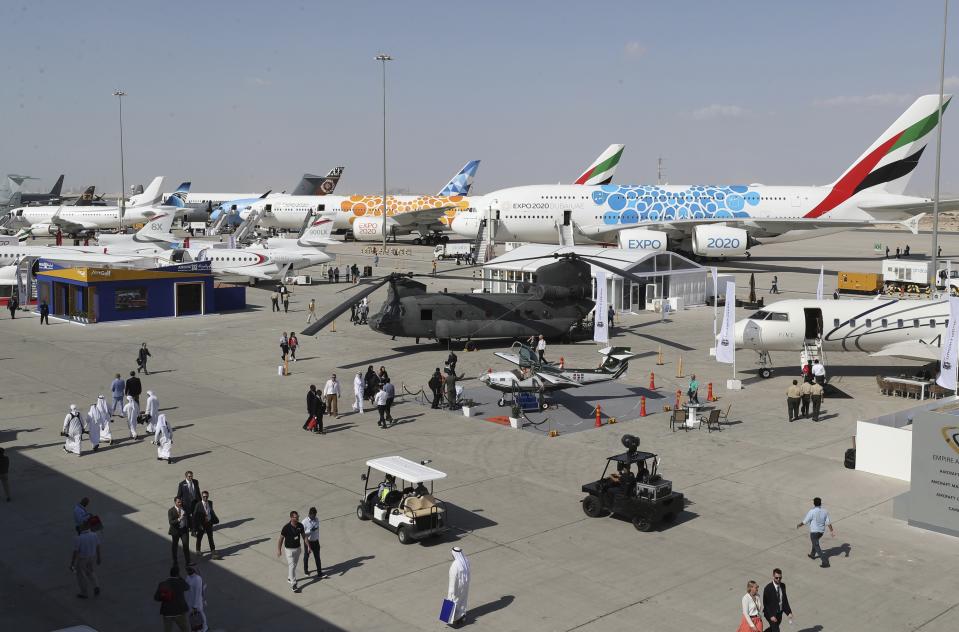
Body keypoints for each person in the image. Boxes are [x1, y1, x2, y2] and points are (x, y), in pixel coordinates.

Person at [797, 497, 834, 567]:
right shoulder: (825, 511)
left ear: (814, 503)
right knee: (815, 542)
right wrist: (832, 531)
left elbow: (805, 521)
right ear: (820, 503)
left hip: (814, 532)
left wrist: (799, 525)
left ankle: (825, 562)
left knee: (817, 546)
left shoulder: (812, 511)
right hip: (821, 532)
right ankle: (812, 555)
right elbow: (828, 522)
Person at [277, 510, 309, 592]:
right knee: (291, 566)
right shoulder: (286, 528)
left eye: (298, 516)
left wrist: (308, 546)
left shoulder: (300, 525)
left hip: (298, 549)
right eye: (296, 517)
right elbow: (280, 539)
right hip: (289, 550)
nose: (298, 518)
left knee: (294, 566)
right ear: (291, 518)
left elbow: (304, 536)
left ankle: (289, 577)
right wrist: (279, 550)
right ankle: (294, 584)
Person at [154, 566, 190, 632]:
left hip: (167, 612)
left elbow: (156, 598)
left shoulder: (163, 584)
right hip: (179, 611)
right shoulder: (180, 582)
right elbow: (187, 587)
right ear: (178, 574)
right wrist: (181, 578)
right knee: (185, 629)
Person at [71, 519, 101, 599]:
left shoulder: (78, 538)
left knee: (81, 576)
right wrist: (98, 557)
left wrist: (72, 563)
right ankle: (96, 586)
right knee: (91, 571)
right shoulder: (94, 534)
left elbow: (76, 552)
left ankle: (84, 593)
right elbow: (98, 546)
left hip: (82, 558)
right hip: (92, 556)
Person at [445, 547, 471, 625]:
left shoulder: (455, 564)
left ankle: (454, 619)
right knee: (463, 601)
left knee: (453, 601)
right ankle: (462, 616)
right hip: (465, 585)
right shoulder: (465, 560)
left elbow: (453, 579)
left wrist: (452, 592)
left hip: (457, 587)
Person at [192, 490, 219, 560]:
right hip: (201, 524)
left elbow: (211, 511)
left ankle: (213, 550)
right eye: (204, 496)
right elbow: (195, 516)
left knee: (210, 537)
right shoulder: (198, 504)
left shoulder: (210, 502)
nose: (205, 498)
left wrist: (213, 518)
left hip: (209, 523)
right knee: (199, 537)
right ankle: (198, 550)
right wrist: (195, 527)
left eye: (207, 496)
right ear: (202, 496)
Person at [169, 497, 192, 566]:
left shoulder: (184, 509)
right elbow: (171, 522)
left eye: (180, 502)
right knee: (175, 546)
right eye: (178, 502)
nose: (180, 503)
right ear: (175, 502)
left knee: (186, 545)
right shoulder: (171, 511)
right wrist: (179, 519)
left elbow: (189, 518)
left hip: (184, 530)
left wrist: (191, 527)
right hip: (175, 531)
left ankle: (188, 561)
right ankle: (175, 561)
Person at [185, 565, 208, 632]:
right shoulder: (188, 577)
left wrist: (195, 605)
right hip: (190, 600)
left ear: (193, 571)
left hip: (197, 602)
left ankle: (204, 627)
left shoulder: (197, 579)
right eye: (187, 570)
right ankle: (196, 628)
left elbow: (198, 593)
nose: (188, 572)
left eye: (189, 570)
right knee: (193, 616)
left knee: (200, 614)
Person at [302, 506, 322, 577]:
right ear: (310, 514)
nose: (314, 517)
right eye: (313, 516)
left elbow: (317, 527)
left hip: (316, 541)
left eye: (315, 515)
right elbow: (302, 533)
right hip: (308, 542)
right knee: (306, 556)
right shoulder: (304, 522)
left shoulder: (317, 519)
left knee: (317, 557)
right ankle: (306, 571)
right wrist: (310, 530)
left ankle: (319, 573)